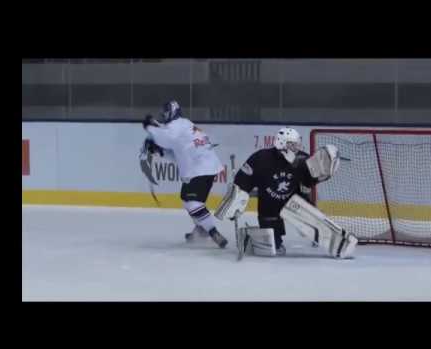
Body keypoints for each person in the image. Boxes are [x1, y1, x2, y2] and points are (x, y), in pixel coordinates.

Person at [215, 127, 356, 258]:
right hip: (268, 206)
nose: (297, 148)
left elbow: (310, 180)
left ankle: (330, 238)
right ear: (282, 144)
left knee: (310, 215)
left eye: (297, 144)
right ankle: (252, 238)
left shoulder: (302, 160)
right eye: (293, 145)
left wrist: (322, 174)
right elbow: (243, 180)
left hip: (294, 201)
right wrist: (237, 198)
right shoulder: (261, 159)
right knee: (273, 248)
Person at [141, 100, 228, 249]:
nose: (163, 115)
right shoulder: (184, 125)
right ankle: (202, 228)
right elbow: (178, 153)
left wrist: (150, 127)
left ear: (173, 112)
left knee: (191, 202)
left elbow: (165, 138)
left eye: (166, 112)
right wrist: (159, 151)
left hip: (200, 169)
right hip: (206, 167)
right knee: (192, 201)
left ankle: (212, 232)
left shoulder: (177, 125)